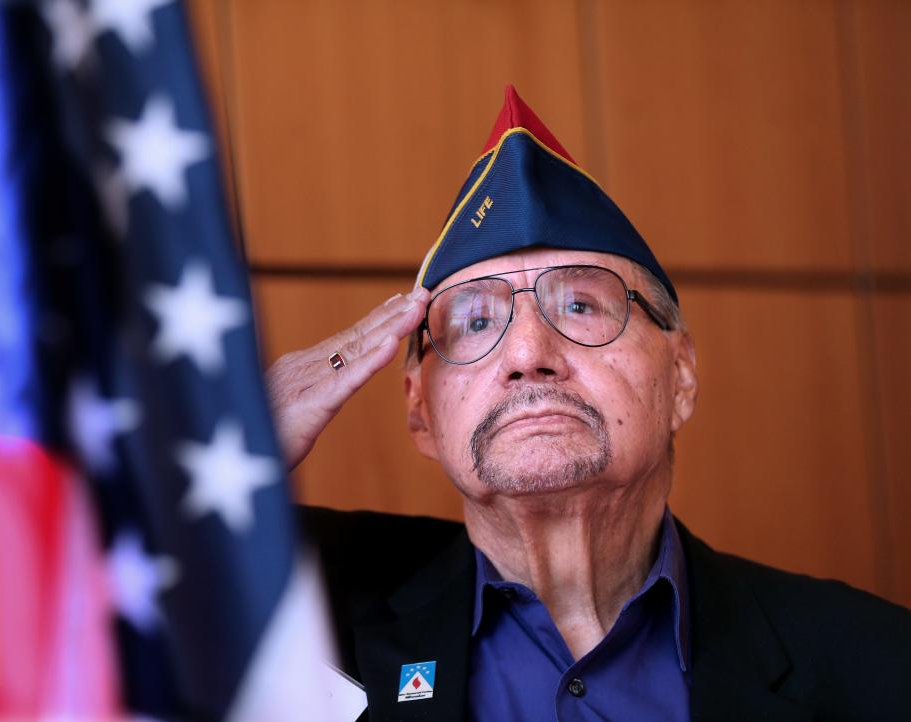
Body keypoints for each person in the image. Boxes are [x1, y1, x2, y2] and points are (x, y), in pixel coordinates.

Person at [267, 86, 911, 722]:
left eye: (580, 305)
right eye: (476, 322)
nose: (527, 352)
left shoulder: (877, 663)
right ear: (420, 411)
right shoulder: (285, 603)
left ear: (681, 374)